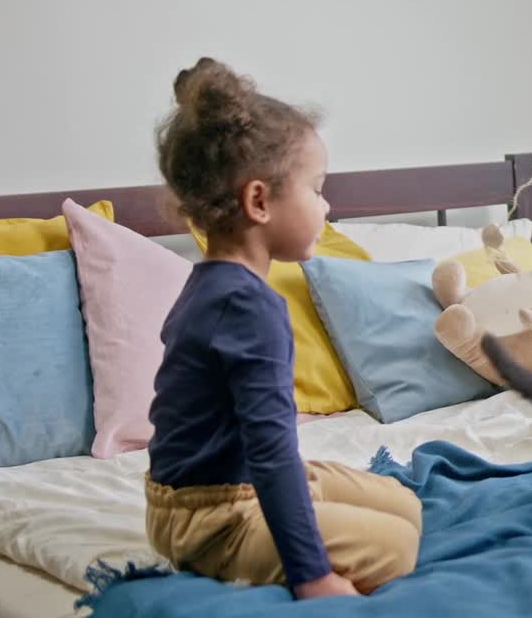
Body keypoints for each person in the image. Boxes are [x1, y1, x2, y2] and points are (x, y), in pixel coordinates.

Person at [145, 57, 422, 599]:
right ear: (259, 201)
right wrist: (312, 575)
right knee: (396, 546)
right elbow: (271, 450)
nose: (327, 205)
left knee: (405, 504)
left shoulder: (212, 284)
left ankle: (305, 520)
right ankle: (289, 550)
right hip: (210, 518)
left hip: (216, 486)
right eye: (316, 188)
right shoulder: (251, 309)